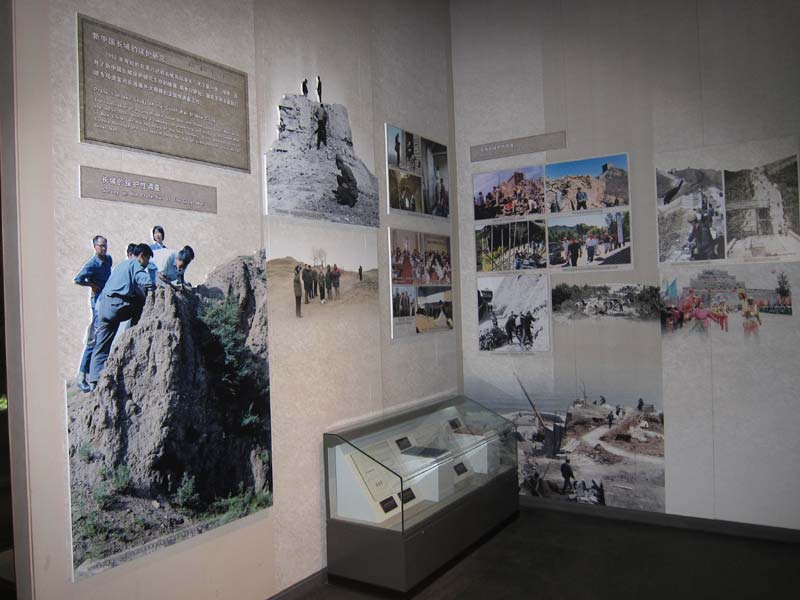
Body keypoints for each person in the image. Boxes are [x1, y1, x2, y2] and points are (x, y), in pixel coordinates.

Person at [87, 244, 154, 390]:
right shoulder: (135, 264)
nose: (147, 263)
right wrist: (154, 291)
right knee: (140, 301)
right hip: (116, 306)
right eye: (147, 259)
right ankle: (136, 331)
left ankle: (94, 381)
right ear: (142, 255)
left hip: (104, 308)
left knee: (101, 345)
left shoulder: (120, 265)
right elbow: (146, 282)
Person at [73, 235, 113, 392]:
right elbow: (78, 279)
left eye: (105, 245)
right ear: (95, 247)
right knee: (94, 338)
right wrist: (92, 285)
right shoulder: (92, 264)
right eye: (101, 246)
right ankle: (81, 376)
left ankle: (95, 370)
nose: (104, 248)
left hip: (106, 298)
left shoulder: (108, 260)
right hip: (97, 302)